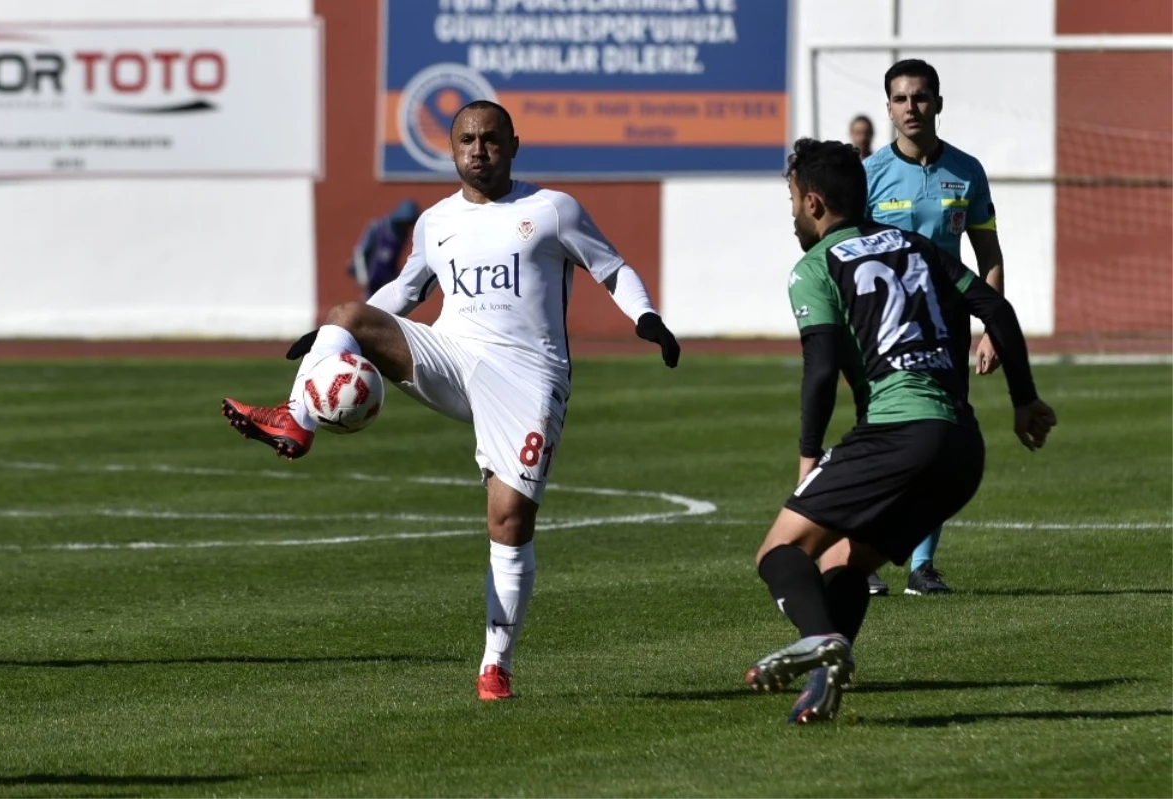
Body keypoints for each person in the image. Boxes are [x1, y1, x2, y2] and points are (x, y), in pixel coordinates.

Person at [220, 100, 680, 702]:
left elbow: (612, 268)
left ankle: (496, 665)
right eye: (467, 139)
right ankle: (296, 419)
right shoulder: (436, 222)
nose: (478, 150)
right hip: (451, 355)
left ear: (514, 145)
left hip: (527, 378)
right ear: (452, 148)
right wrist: (335, 338)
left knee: (509, 520)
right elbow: (406, 290)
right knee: (348, 314)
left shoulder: (551, 210)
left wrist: (646, 317)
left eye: (491, 139)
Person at [744, 138, 1055, 724]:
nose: (790, 214)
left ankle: (820, 641)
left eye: (790, 200)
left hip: (897, 433)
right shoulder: (917, 246)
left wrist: (809, 456)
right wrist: (1024, 400)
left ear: (812, 203)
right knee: (845, 563)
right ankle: (823, 683)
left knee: (779, 550)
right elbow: (998, 311)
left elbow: (821, 369)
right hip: (962, 448)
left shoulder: (816, 266)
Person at [862, 58, 1006, 596]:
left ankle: (922, 566)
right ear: (889, 108)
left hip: (947, 330)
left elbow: (988, 255)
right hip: (882, 332)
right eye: (900, 99)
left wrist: (992, 328)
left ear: (938, 104)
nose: (911, 108)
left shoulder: (967, 171)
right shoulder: (870, 176)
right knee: (882, 443)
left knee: (942, 442)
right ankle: (866, 555)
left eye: (920, 97)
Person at [347, 198, 421, 301]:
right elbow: (360, 252)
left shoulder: (402, 235)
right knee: (371, 309)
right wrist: (362, 277)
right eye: (405, 222)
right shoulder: (378, 228)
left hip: (388, 280)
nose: (406, 226)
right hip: (372, 280)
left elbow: (394, 258)